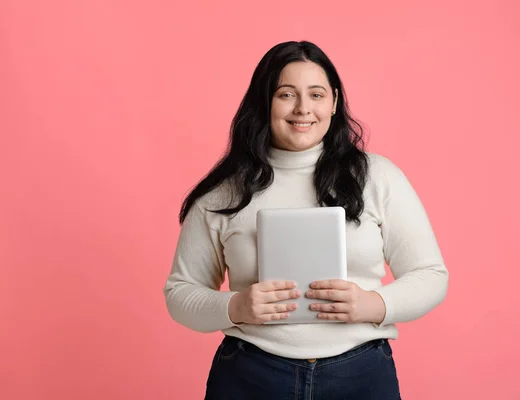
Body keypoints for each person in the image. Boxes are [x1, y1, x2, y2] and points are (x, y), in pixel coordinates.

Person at [163, 40, 449, 400]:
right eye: (286, 94)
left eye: (316, 94)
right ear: (264, 102)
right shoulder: (224, 192)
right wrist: (235, 307)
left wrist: (372, 304)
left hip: (360, 374)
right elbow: (180, 293)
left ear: (333, 101)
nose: (303, 109)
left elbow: (431, 275)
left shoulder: (377, 177)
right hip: (251, 375)